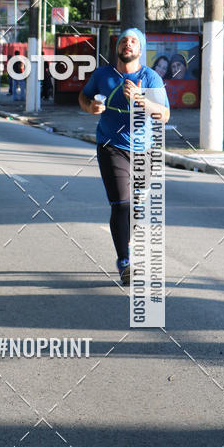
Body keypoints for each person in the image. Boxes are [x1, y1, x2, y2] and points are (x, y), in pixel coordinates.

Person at [79, 28, 170, 285]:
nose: (127, 44)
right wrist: (91, 107)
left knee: (137, 206)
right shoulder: (102, 74)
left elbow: (163, 115)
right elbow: (84, 97)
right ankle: (125, 262)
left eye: (133, 41)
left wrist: (141, 100)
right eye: (123, 41)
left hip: (144, 150)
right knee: (121, 203)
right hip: (111, 145)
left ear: (140, 49)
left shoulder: (150, 78)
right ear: (117, 47)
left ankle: (128, 242)